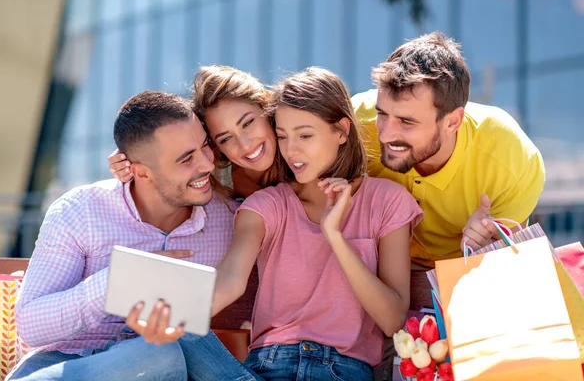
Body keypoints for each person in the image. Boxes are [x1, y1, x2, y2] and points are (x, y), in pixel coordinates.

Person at [126, 67, 423, 380]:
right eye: (282, 136)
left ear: (341, 131)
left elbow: (392, 321)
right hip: (264, 369)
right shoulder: (265, 204)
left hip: (338, 370)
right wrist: (169, 319)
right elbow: (231, 279)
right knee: (177, 330)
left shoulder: (387, 200)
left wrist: (334, 235)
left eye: (305, 135)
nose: (292, 151)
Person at [9, 91, 258, 380]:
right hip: (65, 366)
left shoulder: (231, 219)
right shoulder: (81, 210)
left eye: (205, 147)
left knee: (163, 352)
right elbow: (31, 326)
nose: (206, 164)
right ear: (140, 172)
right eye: (186, 159)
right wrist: (118, 280)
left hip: (165, 366)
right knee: (159, 353)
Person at [352, 31, 545, 267]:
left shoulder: (510, 157)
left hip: (461, 282)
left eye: (406, 122)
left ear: (452, 122)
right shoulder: (354, 122)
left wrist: (490, 244)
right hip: (376, 273)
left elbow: (510, 262)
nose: (385, 133)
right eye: (382, 113)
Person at [109, 65, 279, 199]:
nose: (245, 144)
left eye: (248, 123)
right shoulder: (214, 172)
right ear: (215, 144)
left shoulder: (298, 150)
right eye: (225, 138)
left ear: (265, 108)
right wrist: (129, 159)